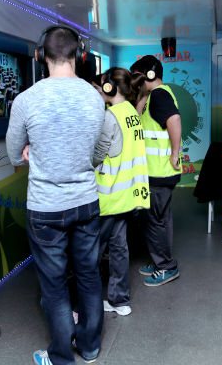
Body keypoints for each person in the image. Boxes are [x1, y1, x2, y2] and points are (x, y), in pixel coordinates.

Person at [6, 26, 105, 365]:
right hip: (86, 202)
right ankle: (90, 348)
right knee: (89, 275)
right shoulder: (94, 97)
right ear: (80, 56)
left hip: (45, 208)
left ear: (40, 56)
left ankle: (61, 357)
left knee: (54, 284)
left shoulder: (26, 100)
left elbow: (13, 152)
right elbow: (96, 152)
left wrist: (31, 150)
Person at [92, 68, 150, 316]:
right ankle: (120, 301)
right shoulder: (132, 113)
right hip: (126, 195)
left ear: (109, 88)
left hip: (108, 195)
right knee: (119, 248)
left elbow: (98, 154)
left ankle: (89, 303)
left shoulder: (110, 116)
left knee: (91, 253)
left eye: (103, 84)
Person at [129, 55, 182, 287]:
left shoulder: (160, 95)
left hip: (159, 173)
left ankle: (166, 267)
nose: (135, 80)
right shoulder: (155, 95)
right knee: (161, 220)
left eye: (138, 76)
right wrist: (142, 94)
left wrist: (174, 153)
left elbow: (174, 120)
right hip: (159, 173)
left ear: (149, 75)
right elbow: (140, 118)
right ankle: (162, 261)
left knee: (154, 222)